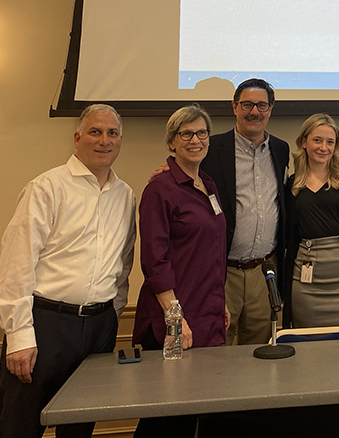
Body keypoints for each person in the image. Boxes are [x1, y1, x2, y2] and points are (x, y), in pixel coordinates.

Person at [0, 105, 135, 438]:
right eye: (95, 132)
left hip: (99, 328)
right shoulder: (46, 188)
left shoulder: (125, 195)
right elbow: (17, 263)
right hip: (45, 327)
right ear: (77, 138)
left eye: (112, 133)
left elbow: (123, 263)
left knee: (79, 430)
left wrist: (111, 315)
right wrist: (19, 336)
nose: (104, 141)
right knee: (20, 427)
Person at [132, 104, 229, 438]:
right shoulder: (160, 189)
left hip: (207, 311)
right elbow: (154, 261)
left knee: (196, 410)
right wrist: (176, 317)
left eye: (201, 132)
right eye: (185, 133)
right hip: (173, 320)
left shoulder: (209, 184)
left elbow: (211, 251)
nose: (195, 139)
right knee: (166, 417)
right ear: (171, 142)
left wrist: (222, 302)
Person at [200, 78, 290, 344]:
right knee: (216, 350)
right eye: (247, 104)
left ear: (271, 109)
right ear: (235, 107)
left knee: (258, 354)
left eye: (262, 105)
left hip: (264, 273)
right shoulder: (211, 148)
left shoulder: (281, 149)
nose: (255, 112)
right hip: (222, 272)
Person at [282, 114, 339, 332]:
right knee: (308, 353)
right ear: (303, 142)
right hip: (306, 285)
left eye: (330, 142)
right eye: (317, 140)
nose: (323, 147)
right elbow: (289, 240)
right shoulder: (292, 184)